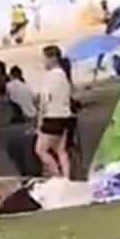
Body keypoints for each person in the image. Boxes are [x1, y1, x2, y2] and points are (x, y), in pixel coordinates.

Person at [35, 45, 73, 178]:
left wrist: (39, 121)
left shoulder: (50, 76)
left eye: (44, 59)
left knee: (41, 150)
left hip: (53, 117)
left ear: (52, 59)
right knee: (61, 150)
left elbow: (45, 100)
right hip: (66, 116)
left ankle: (57, 176)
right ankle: (66, 177)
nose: (43, 62)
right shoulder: (64, 75)